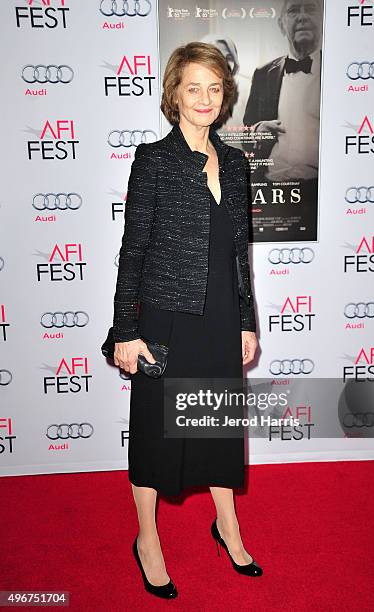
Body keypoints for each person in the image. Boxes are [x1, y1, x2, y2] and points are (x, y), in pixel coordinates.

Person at [111, 42, 262, 599]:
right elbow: (133, 250)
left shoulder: (239, 163)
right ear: (174, 94)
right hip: (167, 320)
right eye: (193, 87)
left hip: (221, 318)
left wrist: (246, 321)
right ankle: (147, 539)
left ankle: (227, 526)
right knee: (156, 436)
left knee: (218, 431)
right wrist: (126, 329)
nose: (205, 98)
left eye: (215, 88)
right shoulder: (154, 160)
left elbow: (238, 254)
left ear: (225, 98)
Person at [243, 0, 323, 181]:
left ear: (322, 19)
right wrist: (257, 131)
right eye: (294, 11)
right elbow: (246, 131)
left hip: (319, 190)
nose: (302, 17)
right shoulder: (263, 74)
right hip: (271, 187)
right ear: (282, 24)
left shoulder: (337, 70)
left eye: (310, 9)